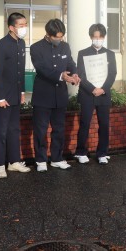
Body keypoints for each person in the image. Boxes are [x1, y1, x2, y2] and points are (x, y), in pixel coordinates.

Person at [30, 18, 80, 172]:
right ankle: (41, 160)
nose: (59, 39)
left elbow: (70, 63)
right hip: (43, 96)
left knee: (59, 129)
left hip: (60, 95)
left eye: (61, 36)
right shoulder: (36, 48)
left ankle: (57, 158)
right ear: (48, 34)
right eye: (56, 37)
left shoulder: (65, 46)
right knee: (41, 130)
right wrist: (61, 76)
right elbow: (41, 69)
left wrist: (75, 74)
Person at [0, 12, 31, 178]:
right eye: (21, 25)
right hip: (2, 97)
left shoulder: (21, 43)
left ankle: (14, 162)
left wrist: (22, 92)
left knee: (14, 129)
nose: (24, 28)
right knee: (1, 131)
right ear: (11, 27)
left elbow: (21, 71)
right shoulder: (0, 46)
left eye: (25, 25)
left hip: (15, 94)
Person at [74, 24, 118, 165]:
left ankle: (102, 153)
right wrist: (92, 89)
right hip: (87, 93)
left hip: (103, 94)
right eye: (95, 37)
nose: (97, 39)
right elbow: (81, 73)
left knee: (104, 124)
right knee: (85, 123)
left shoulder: (110, 54)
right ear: (91, 37)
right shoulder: (83, 53)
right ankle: (81, 152)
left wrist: (103, 89)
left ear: (104, 37)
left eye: (100, 37)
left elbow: (112, 74)